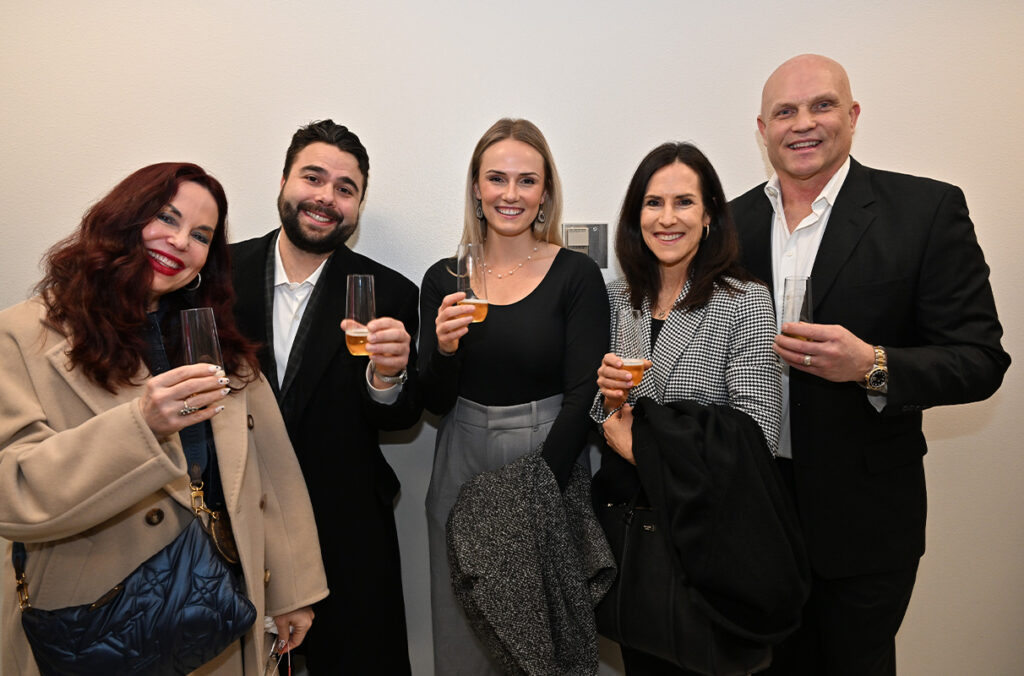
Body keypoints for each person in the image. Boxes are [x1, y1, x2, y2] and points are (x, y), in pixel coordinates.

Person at [730, 54, 1011, 675]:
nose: (803, 123)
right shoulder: (726, 222)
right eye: (785, 111)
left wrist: (872, 365)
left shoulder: (925, 211)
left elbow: (981, 359)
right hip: (751, 517)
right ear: (762, 128)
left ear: (852, 116)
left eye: (821, 106)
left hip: (865, 525)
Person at [0, 163, 328, 675]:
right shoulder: (25, 335)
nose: (179, 241)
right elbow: (12, 489)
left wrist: (292, 590)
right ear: (122, 220)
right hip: (96, 621)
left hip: (215, 614)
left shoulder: (216, 343)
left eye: (200, 235)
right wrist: (140, 426)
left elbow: (274, 476)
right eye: (166, 218)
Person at [419, 118, 609, 674]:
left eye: (527, 181)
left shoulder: (575, 274)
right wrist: (445, 350)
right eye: (496, 178)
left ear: (545, 192)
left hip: (548, 455)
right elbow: (432, 402)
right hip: (460, 452)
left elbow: (584, 395)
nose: (511, 194)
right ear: (476, 188)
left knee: (544, 636)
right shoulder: (444, 278)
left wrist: (532, 490)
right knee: (462, 628)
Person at [231, 120, 420, 674]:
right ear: (284, 181)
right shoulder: (218, 274)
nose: (326, 198)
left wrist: (388, 377)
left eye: (346, 188)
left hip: (348, 532)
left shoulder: (392, 292)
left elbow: (406, 416)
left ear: (359, 204)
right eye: (313, 177)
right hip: (237, 530)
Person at [591, 142, 784, 674]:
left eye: (684, 202)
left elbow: (757, 434)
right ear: (636, 217)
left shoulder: (742, 299)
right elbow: (597, 414)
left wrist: (647, 442)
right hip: (631, 537)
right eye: (653, 203)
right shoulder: (617, 297)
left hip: (706, 541)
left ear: (709, 216)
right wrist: (607, 400)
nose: (667, 218)